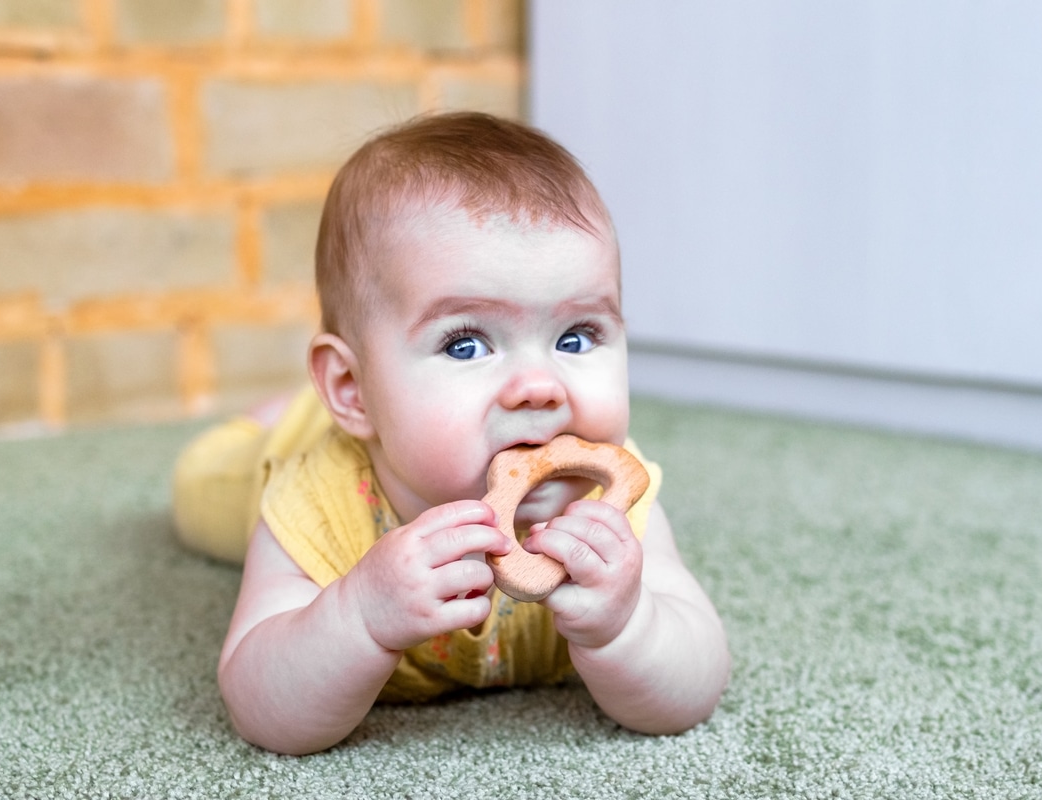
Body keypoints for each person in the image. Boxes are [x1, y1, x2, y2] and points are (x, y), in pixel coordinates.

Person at [171, 111, 730, 755]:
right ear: (352, 390)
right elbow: (262, 708)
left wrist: (629, 626)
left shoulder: (613, 509)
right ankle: (280, 418)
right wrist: (358, 616)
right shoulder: (318, 504)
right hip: (280, 456)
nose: (539, 386)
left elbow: (697, 680)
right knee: (198, 490)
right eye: (466, 345)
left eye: (575, 338)